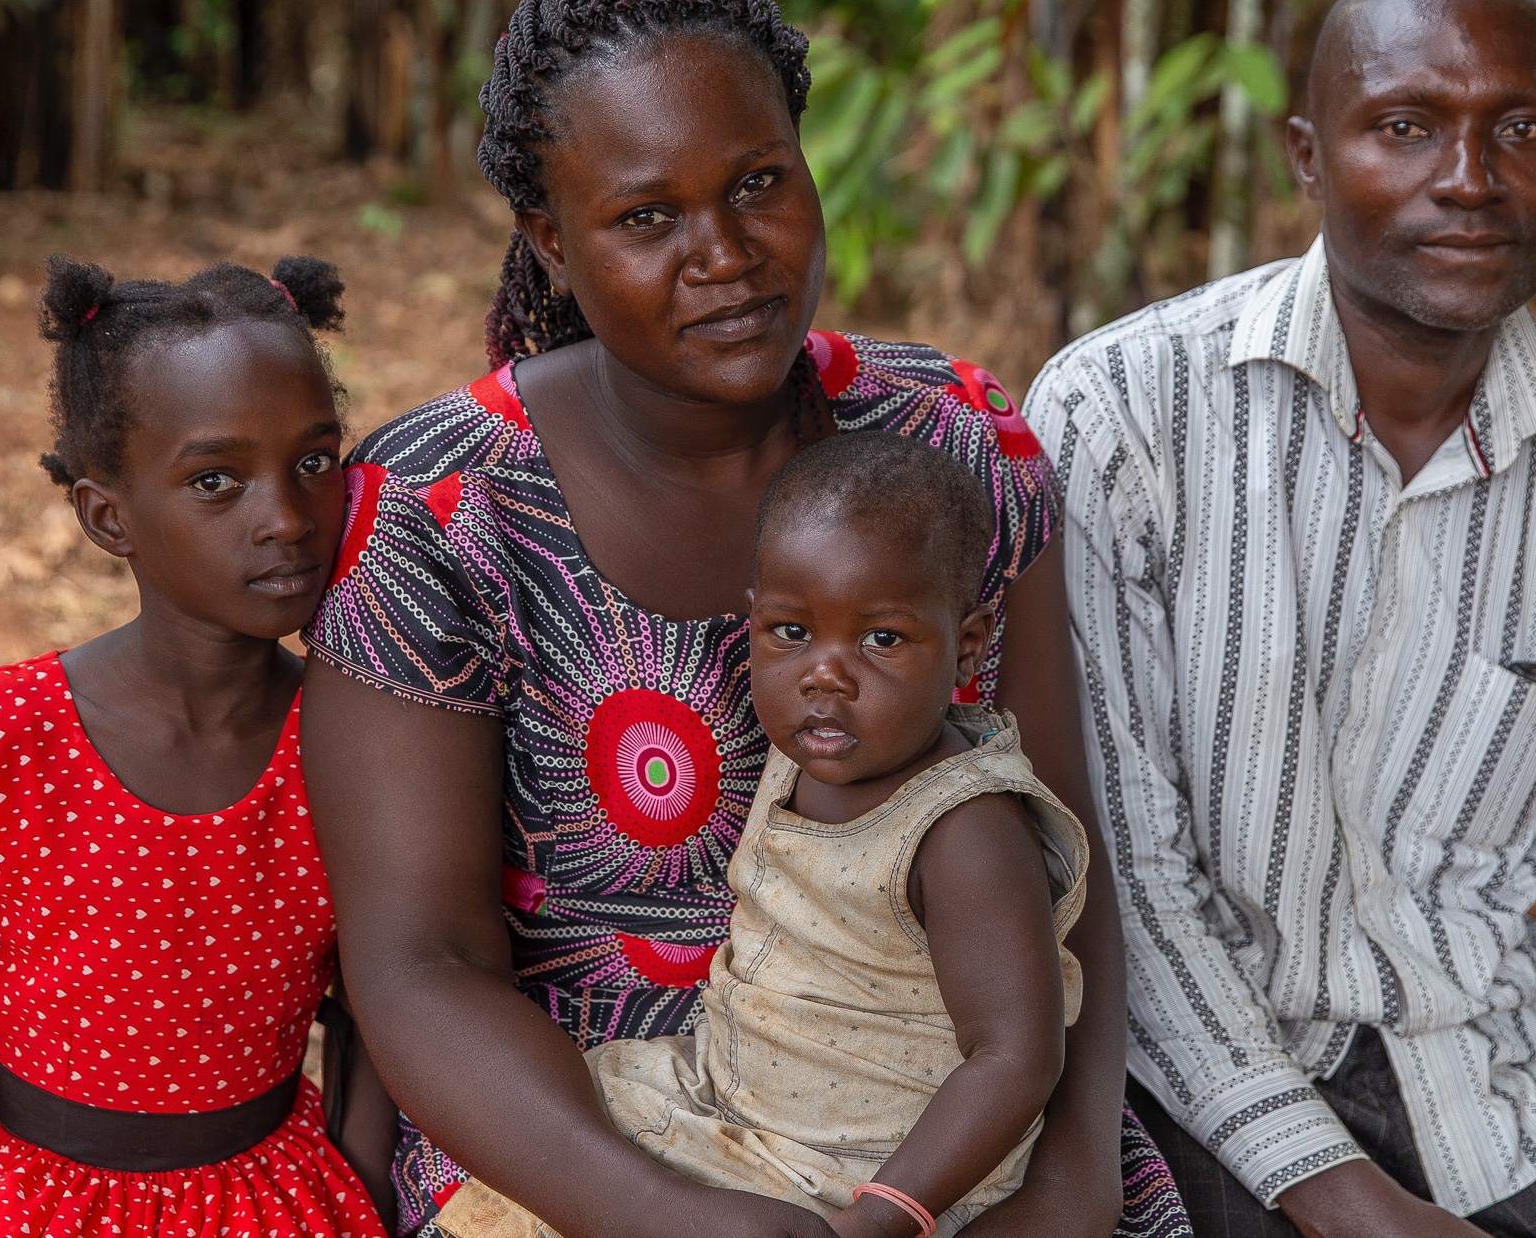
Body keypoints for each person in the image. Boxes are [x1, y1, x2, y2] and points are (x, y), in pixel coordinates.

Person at [298, 0, 1188, 1238]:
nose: (724, 253)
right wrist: (669, 1215)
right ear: (551, 242)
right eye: (646, 217)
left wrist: (1067, 1185)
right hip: (585, 1143)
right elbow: (420, 965)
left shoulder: (952, 443)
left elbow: (1065, 866)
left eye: (758, 182)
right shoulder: (440, 513)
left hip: (954, 1130)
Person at [1025, 0, 1536, 1238]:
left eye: (1521, 129)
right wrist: (1348, 1202)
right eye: (1403, 126)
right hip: (1195, 1075)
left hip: (1487, 1060)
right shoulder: (1122, 416)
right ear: (1306, 156)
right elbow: (1120, 867)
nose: (1469, 178)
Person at [0, 256, 397, 1238]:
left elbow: (377, 1022)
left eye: (313, 461)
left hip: (264, 1205)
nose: (286, 518)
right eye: (216, 480)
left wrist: (361, 1197)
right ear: (106, 515)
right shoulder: (2, 741)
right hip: (12, 1202)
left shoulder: (358, 749)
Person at [444, 431, 1094, 1238]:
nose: (825, 673)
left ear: (966, 645)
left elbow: (1016, 1057)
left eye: (882, 638)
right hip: (737, 1104)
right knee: (549, 1162)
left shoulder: (963, 828)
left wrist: (882, 1215)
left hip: (873, 1164)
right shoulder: (805, 754)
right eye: (791, 631)